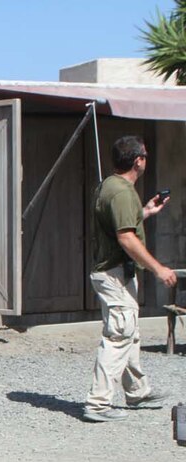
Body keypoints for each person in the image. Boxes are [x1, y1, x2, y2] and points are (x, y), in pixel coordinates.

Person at [82, 135, 176, 423]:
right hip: (114, 274)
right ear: (138, 160)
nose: (146, 159)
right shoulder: (122, 192)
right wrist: (158, 268)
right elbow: (126, 238)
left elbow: (121, 227)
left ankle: (137, 391)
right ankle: (97, 404)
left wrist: (145, 211)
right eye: (145, 155)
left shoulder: (111, 187)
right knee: (119, 335)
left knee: (130, 333)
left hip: (114, 274)